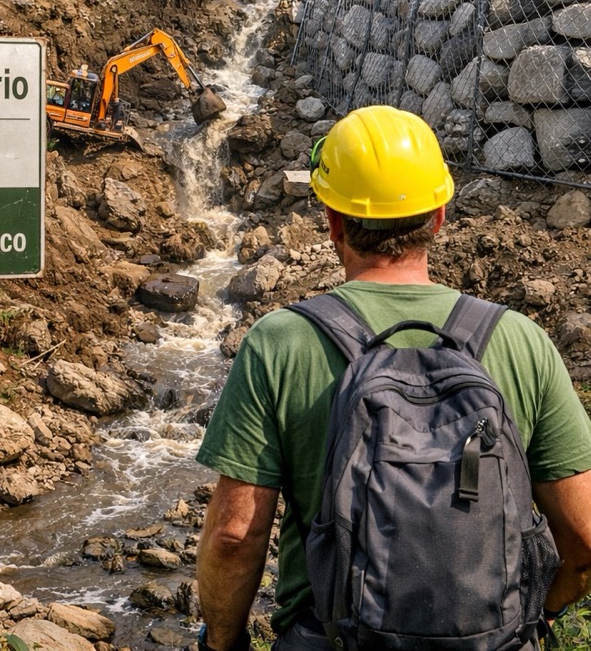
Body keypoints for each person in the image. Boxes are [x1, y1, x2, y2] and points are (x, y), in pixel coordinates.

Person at [195, 105, 591, 651]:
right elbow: (586, 539)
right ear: (441, 215)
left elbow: (235, 536)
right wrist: (537, 615)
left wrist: (221, 642)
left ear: (333, 221)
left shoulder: (279, 342)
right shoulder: (521, 341)